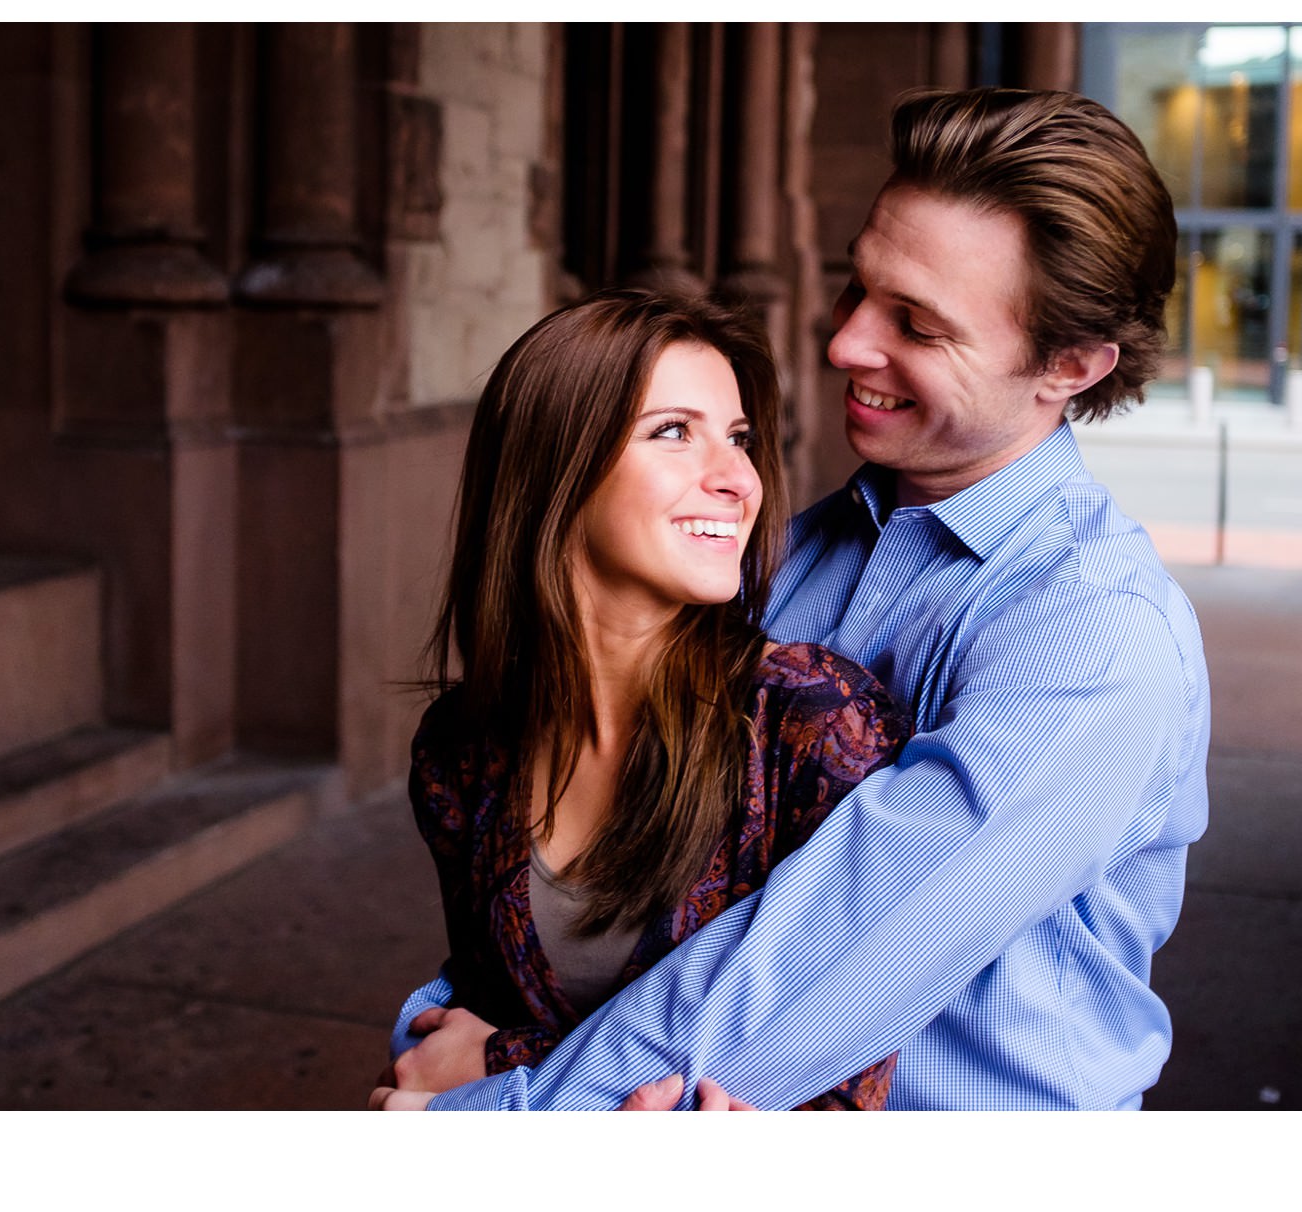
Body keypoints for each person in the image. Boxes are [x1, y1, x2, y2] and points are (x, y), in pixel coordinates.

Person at [376, 87, 1210, 1111]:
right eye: (856, 290)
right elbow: (611, 894)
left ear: (1068, 365)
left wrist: (495, 1106)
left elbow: (808, 962)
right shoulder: (800, 549)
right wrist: (445, 1030)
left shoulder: (1094, 638)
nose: (845, 345)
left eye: (915, 324)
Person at [374, 288, 911, 1111]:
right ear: (556, 467)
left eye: (738, 438)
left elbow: (835, 1075)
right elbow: (462, 1025)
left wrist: (491, 1074)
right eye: (673, 432)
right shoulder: (461, 750)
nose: (739, 478)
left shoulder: (810, 723)